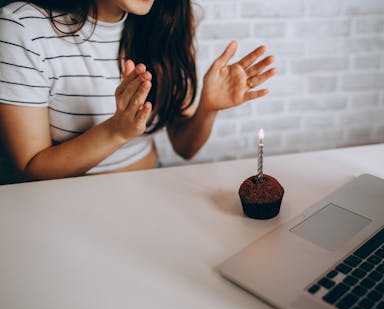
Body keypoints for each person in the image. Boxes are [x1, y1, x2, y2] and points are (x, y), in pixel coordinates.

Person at [0, 0, 276, 182]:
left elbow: (184, 147)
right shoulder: (22, 27)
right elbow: (30, 169)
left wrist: (208, 109)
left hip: (152, 186)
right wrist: (116, 131)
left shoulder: (167, 22)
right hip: (69, 204)